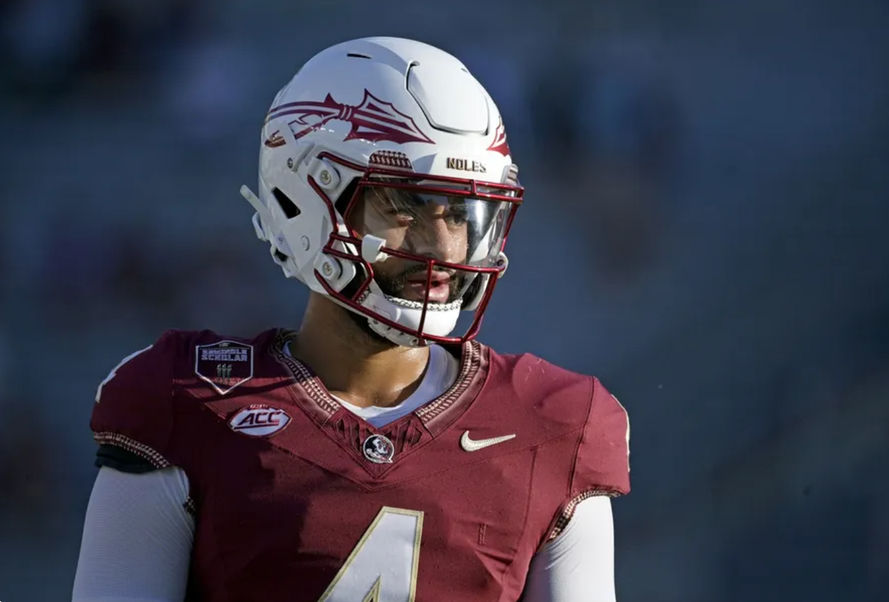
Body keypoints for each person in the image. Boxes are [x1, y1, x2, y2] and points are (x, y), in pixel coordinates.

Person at [73, 37, 631, 601]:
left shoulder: (553, 427)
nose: (440, 245)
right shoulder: (185, 403)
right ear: (305, 200)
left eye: (461, 212)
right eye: (401, 206)